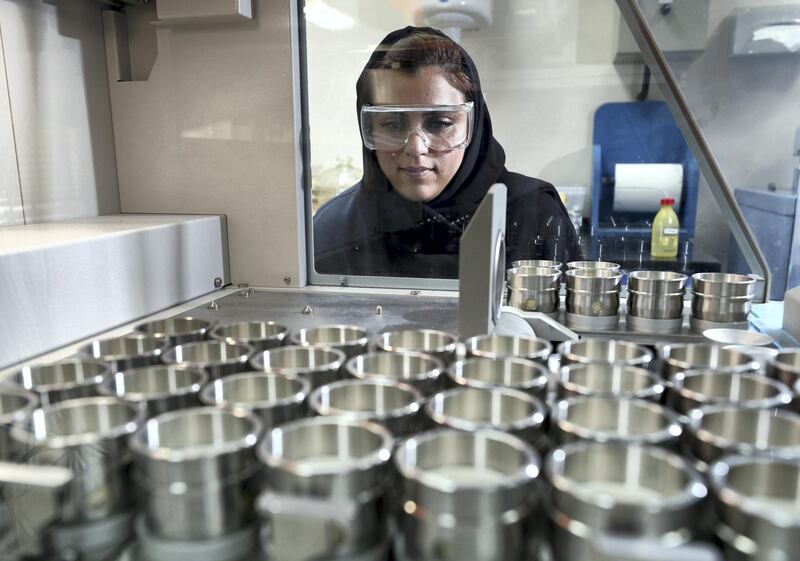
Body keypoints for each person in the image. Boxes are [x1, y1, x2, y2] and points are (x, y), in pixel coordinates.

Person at [314, 26, 581, 278]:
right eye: (392, 124)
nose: (416, 148)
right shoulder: (333, 231)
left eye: (440, 123)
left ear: (474, 126)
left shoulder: (532, 216)